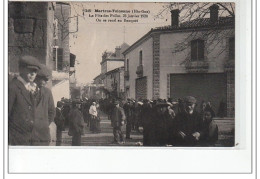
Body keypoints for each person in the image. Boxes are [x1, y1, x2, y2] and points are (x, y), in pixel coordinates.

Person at [9, 56, 41, 145]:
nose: (33, 74)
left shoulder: (29, 88)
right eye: (30, 71)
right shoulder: (13, 87)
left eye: (35, 71)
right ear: (21, 70)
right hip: (16, 139)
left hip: (30, 138)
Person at [31, 64, 56, 146]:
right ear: (36, 79)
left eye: (46, 80)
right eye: (43, 80)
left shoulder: (47, 92)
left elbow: (52, 111)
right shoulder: (26, 90)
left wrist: (45, 124)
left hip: (43, 135)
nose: (45, 82)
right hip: (28, 134)